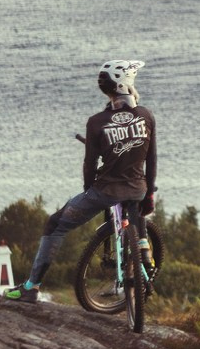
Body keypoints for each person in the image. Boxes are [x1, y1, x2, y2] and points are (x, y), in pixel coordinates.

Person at [14, 59, 156, 300]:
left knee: (54, 224)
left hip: (105, 192)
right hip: (138, 190)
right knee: (138, 214)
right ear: (128, 85)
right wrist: (150, 193)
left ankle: (32, 287)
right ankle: (145, 260)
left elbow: (89, 165)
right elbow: (152, 160)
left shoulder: (96, 122)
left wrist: (89, 190)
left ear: (109, 89)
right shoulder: (146, 116)